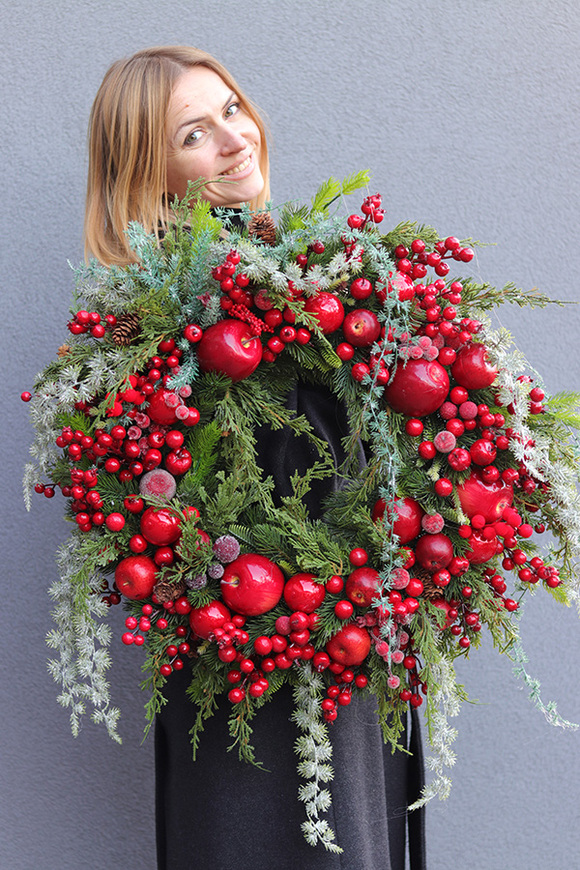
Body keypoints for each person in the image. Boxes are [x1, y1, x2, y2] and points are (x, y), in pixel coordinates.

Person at [85, 46, 427, 870]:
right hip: (245, 671)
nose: (237, 140)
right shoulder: (161, 337)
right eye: (195, 134)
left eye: (232, 110)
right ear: (151, 172)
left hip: (351, 656)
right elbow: (165, 522)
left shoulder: (324, 289)